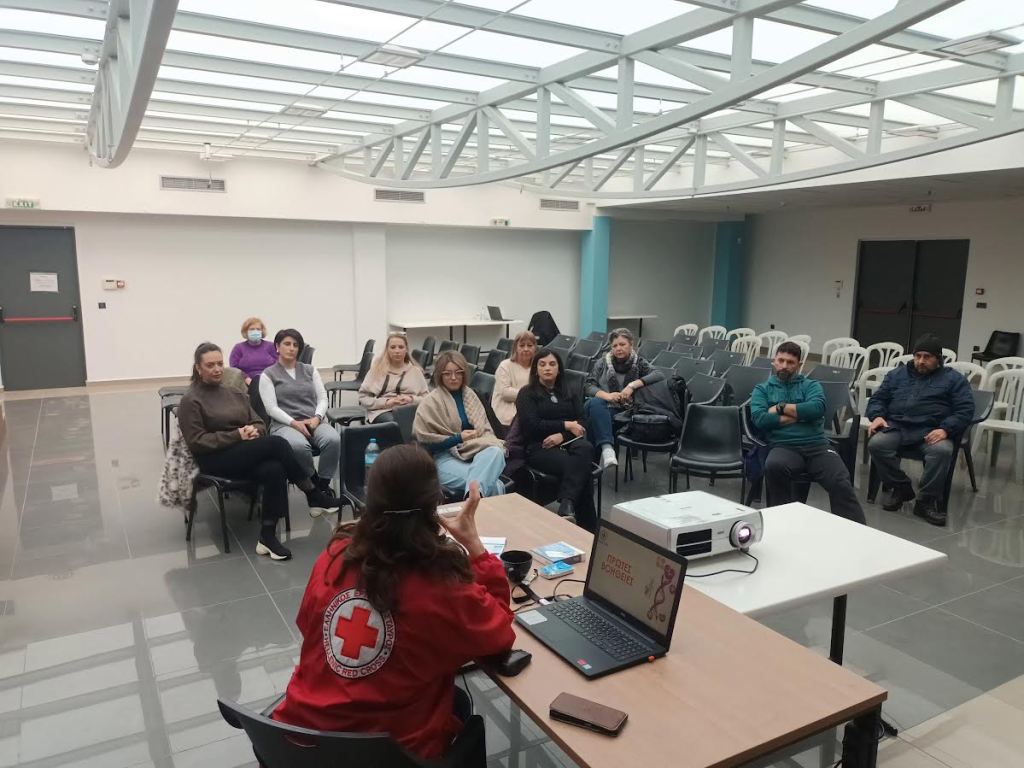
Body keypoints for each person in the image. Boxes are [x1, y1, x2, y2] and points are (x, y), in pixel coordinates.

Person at [274, 446, 514, 760]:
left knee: (451, 697)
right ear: (434, 505)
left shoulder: (334, 557)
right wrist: (477, 551)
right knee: (454, 703)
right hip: (389, 756)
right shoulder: (442, 584)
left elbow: (308, 628)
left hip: (298, 747)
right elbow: (499, 636)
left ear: (370, 500)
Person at [177, 342, 340, 561]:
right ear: (198, 368)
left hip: (242, 452)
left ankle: (267, 536)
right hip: (211, 459)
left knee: (274, 468)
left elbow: (259, 422)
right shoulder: (191, 400)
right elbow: (197, 442)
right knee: (277, 444)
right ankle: (313, 494)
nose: (217, 369)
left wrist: (254, 431)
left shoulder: (233, 393)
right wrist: (237, 435)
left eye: (220, 364)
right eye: (210, 365)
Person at [750, 341, 865, 525]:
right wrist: (799, 415)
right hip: (784, 446)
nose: (785, 366)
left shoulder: (811, 385)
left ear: (799, 364)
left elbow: (817, 408)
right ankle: (780, 523)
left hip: (817, 446)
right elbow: (760, 419)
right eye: (781, 360)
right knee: (774, 466)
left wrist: (780, 408)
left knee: (840, 480)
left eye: (790, 362)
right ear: (774, 361)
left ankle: (855, 530)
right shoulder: (762, 389)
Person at [866, 333, 974, 526]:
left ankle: (925, 501)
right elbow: (878, 399)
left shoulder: (954, 379)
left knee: (941, 451)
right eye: (917, 356)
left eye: (927, 357)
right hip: (897, 427)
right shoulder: (897, 375)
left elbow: (965, 410)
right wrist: (878, 416)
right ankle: (901, 487)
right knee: (877, 444)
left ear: (938, 359)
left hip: (931, 431)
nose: (921, 361)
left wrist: (945, 430)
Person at [258, 328, 341, 513]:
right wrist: (294, 423)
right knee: (298, 446)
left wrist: (317, 418)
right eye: (287, 344)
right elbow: (271, 408)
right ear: (277, 347)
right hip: (284, 424)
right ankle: (314, 485)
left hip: (313, 420)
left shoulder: (310, 370)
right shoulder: (268, 375)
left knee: (333, 439)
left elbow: (323, 398)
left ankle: (322, 487)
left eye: (296, 345)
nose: (292, 348)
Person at [515, 348, 597, 531]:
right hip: (539, 447)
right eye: (542, 364)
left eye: (552, 364)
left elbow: (583, 421)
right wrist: (566, 425)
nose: (547, 368)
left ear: (559, 369)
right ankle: (589, 529)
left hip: (569, 443)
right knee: (582, 470)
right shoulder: (526, 393)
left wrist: (562, 435)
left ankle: (567, 503)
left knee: (585, 448)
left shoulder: (570, 392)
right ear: (536, 369)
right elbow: (531, 426)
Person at [413, 351, 506, 498]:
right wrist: (458, 438)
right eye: (447, 373)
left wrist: (470, 439)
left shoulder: (471, 395)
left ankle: (471, 501)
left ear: (464, 374)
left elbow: (486, 431)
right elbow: (425, 443)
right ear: (440, 375)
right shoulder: (430, 402)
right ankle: (473, 502)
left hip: (474, 451)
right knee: (496, 485)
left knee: (495, 451)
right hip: (443, 458)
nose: (453, 377)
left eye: (458, 372)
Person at [584, 328, 664, 468]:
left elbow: (659, 375)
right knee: (596, 404)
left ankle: (594, 466)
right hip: (605, 406)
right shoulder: (603, 362)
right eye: (615, 345)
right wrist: (608, 396)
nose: (618, 348)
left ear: (631, 345)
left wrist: (632, 386)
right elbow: (589, 385)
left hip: (627, 411)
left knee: (593, 416)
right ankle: (607, 450)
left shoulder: (639, 363)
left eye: (622, 344)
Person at [358, 332, 429, 423]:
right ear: (387, 350)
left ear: (406, 350)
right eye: (392, 347)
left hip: (409, 409)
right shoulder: (376, 370)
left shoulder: (416, 371)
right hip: (382, 410)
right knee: (395, 423)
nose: (397, 351)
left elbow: (427, 399)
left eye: (401, 347)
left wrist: (411, 399)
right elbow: (363, 397)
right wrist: (386, 402)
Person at [492, 330, 537, 428]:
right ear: (515, 348)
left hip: (529, 415)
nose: (526, 349)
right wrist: (530, 395)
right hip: (505, 419)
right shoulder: (505, 366)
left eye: (530, 345)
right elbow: (505, 393)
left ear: (535, 348)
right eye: (522, 345)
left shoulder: (537, 367)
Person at [229, 317, 278, 384]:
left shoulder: (271, 346)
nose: (255, 331)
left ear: (262, 331)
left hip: (270, 381)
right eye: (252, 329)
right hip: (245, 383)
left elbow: (278, 364)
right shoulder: (238, 348)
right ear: (245, 331)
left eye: (258, 329)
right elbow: (234, 368)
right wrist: (246, 378)